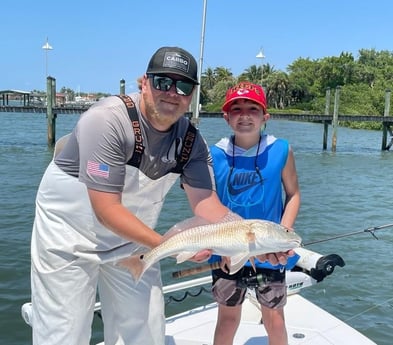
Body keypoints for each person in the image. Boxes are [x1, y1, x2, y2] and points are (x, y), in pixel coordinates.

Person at [30, 46, 237, 345]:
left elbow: (206, 204)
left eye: (183, 86)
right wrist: (170, 245)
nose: (172, 92)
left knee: (147, 330)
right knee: (64, 332)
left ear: (191, 95)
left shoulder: (192, 142)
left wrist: (256, 237)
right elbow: (106, 209)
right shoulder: (107, 121)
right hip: (67, 238)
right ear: (144, 82)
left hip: (132, 239)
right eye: (162, 82)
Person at [209, 81, 301, 345]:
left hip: (270, 252)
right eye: (236, 109)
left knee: (274, 316)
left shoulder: (281, 150)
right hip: (226, 251)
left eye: (252, 108)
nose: (245, 115)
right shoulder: (214, 155)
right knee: (227, 317)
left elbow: (293, 195)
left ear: (265, 117)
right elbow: (208, 204)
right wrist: (220, 247)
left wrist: (283, 235)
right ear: (226, 117)